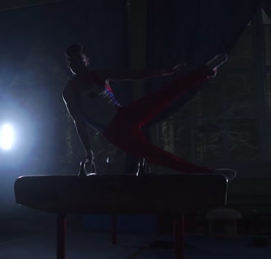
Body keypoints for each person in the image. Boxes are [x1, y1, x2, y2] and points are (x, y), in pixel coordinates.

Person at [62, 44, 235, 180]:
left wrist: (162, 71)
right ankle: (210, 174)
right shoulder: (70, 91)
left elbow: (133, 75)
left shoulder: (99, 75)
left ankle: (205, 70)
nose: (77, 64)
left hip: (125, 115)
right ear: (70, 66)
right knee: (157, 155)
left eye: (80, 60)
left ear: (87, 61)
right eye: (73, 62)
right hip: (115, 133)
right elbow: (79, 121)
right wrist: (88, 151)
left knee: (166, 94)